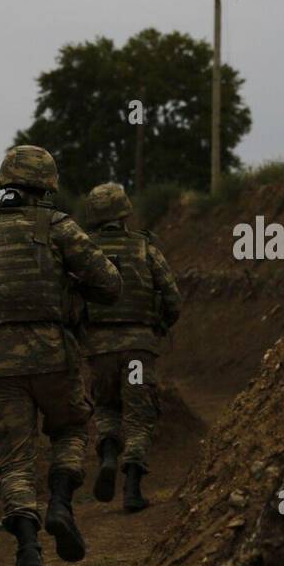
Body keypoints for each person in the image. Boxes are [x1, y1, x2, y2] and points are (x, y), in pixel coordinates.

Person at [0, 146, 120, 566]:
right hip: (52, 356)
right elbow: (110, 284)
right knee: (70, 430)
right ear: (46, 186)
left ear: (6, 182)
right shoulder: (58, 226)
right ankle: (61, 504)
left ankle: (27, 550)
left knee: (14, 460)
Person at [79, 183, 182, 512]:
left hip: (100, 350)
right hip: (139, 347)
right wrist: (161, 325)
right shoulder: (144, 247)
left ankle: (109, 450)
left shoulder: (85, 251)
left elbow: (71, 299)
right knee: (139, 416)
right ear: (125, 212)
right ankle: (133, 488)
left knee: (107, 407)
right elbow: (172, 298)